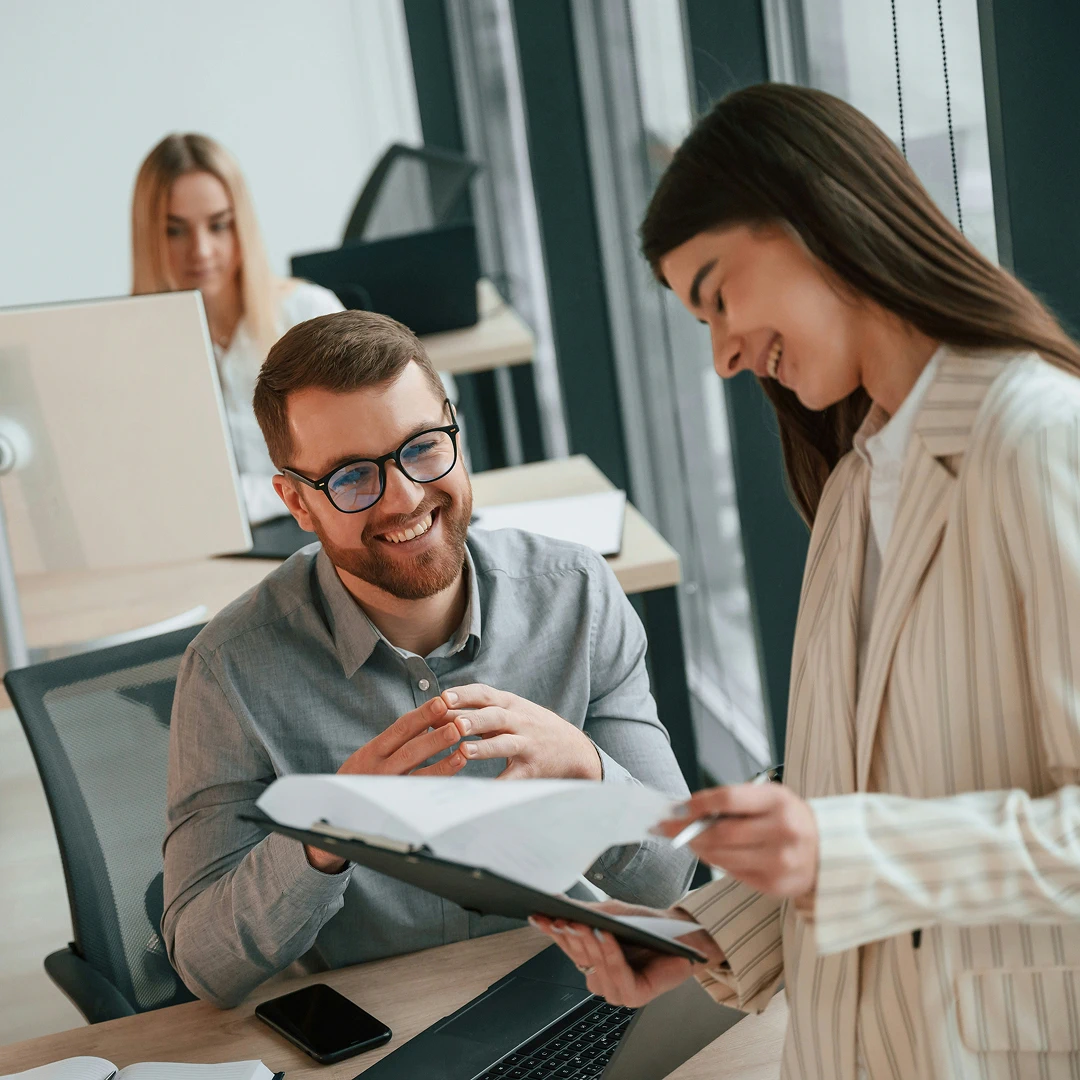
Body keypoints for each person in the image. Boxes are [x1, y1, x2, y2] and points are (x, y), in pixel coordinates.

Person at [533, 83, 1080, 1080]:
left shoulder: (1038, 440)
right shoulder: (854, 482)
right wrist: (706, 934)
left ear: (812, 217)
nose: (725, 356)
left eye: (717, 296)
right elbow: (846, 791)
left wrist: (842, 852)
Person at [162, 309, 695, 1008]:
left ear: (454, 429)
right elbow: (203, 965)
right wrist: (327, 834)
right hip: (380, 1030)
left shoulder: (577, 597)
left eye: (421, 448)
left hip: (561, 996)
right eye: (353, 478)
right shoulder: (229, 671)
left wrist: (586, 766)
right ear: (296, 501)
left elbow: (669, 879)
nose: (407, 497)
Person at [131, 133, 343, 524]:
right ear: (149, 237)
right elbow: (152, 494)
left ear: (241, 225)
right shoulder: (130, 349)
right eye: (175, 231)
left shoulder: (307, 313)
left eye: (219, 225)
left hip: (320, 533)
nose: (201, 250)